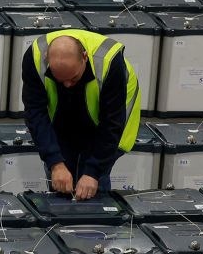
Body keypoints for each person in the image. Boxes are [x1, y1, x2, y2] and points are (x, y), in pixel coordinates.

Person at [21, 28, 142, 200]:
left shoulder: (110, 63)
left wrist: (93, 173)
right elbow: (35, 113)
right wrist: (56, 164)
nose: (68, 85)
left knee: (93, 185)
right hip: (62, 121)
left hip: (104, 125)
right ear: (48, 60)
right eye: (60, 80)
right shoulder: (35, 58)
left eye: (73, 78)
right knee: (61, 181)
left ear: (84, 57)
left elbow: (112, 124)